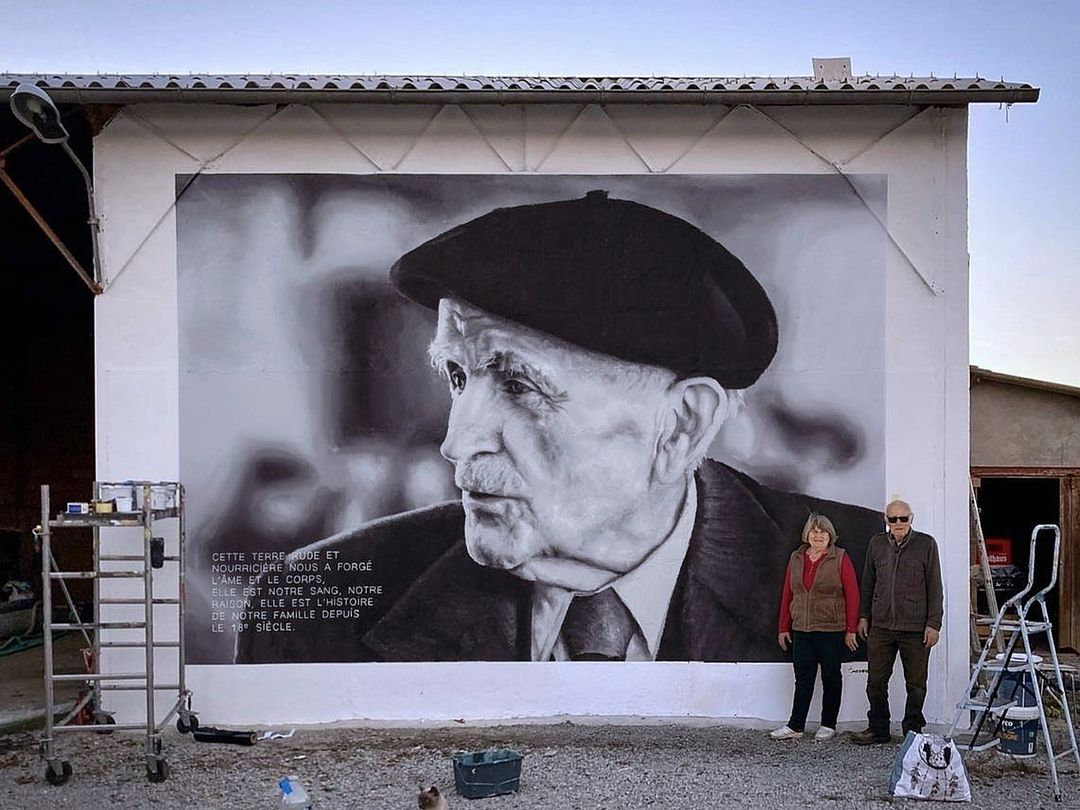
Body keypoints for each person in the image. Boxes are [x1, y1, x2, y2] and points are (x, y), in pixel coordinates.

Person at [235, 191, 882, 664]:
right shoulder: (310, 607)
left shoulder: (865, 567)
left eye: (520, 385)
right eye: (457, 378)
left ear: (681, 425)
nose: (457, 443)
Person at [851, 499, 943, 744]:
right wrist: (863, 616)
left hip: (915, 629)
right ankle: (878, 728)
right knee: (876, 681)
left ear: (911, 518)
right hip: (880, 626)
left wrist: (934, 624)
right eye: (894, 519)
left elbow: (935, 587)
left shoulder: (926, 544)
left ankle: (913, 731)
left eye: (904, 518)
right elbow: (868, 582)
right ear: (886, 520)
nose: (899, 523)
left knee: (916, 684)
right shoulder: (876, 544)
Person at [770, 513, 860, 741]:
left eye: (822, 532)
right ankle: (796, 725)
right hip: (802, 628)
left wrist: (851, 628)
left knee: (831, 677)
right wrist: (784, 626)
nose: (818, 536)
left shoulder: (840, 557)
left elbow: (852, 595)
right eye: (814, 531)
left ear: (830, 536)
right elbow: (787, 593)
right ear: (807, 534)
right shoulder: (796, 557)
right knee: (803, 678)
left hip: (831, 628)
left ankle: (828, 724)